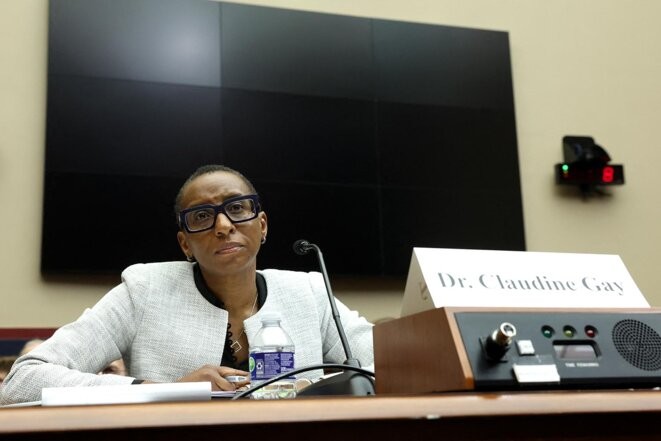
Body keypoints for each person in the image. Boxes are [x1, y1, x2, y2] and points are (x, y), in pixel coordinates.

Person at [0, 165, 374, 404]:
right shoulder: (144, 290)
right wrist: (163, 391)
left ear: (262, 225)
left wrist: (321, 389)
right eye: (202, 216)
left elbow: (390, 364)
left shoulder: (309, 293)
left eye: (237, 208)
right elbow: (23, 380)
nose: (223, 225)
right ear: (185, 244)